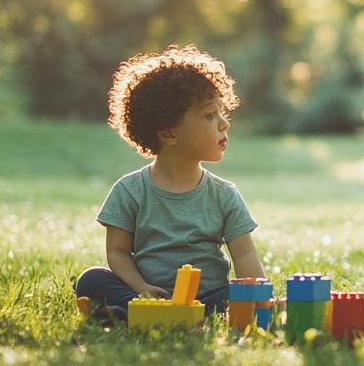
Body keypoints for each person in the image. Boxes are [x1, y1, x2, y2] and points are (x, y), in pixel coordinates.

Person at [74, 44, 264, 321]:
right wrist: (142, 290)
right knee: (91, 279)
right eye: (210, 115)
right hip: (149, 296)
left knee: (229, 296)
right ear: (169, 134)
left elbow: (245, 255)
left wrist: (260, 300)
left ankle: (131, 317)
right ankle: (140, 311)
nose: (224, 124)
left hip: (208, 298)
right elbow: (117, 252)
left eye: (223, 113)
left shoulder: (225, 195)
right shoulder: (129, 191)